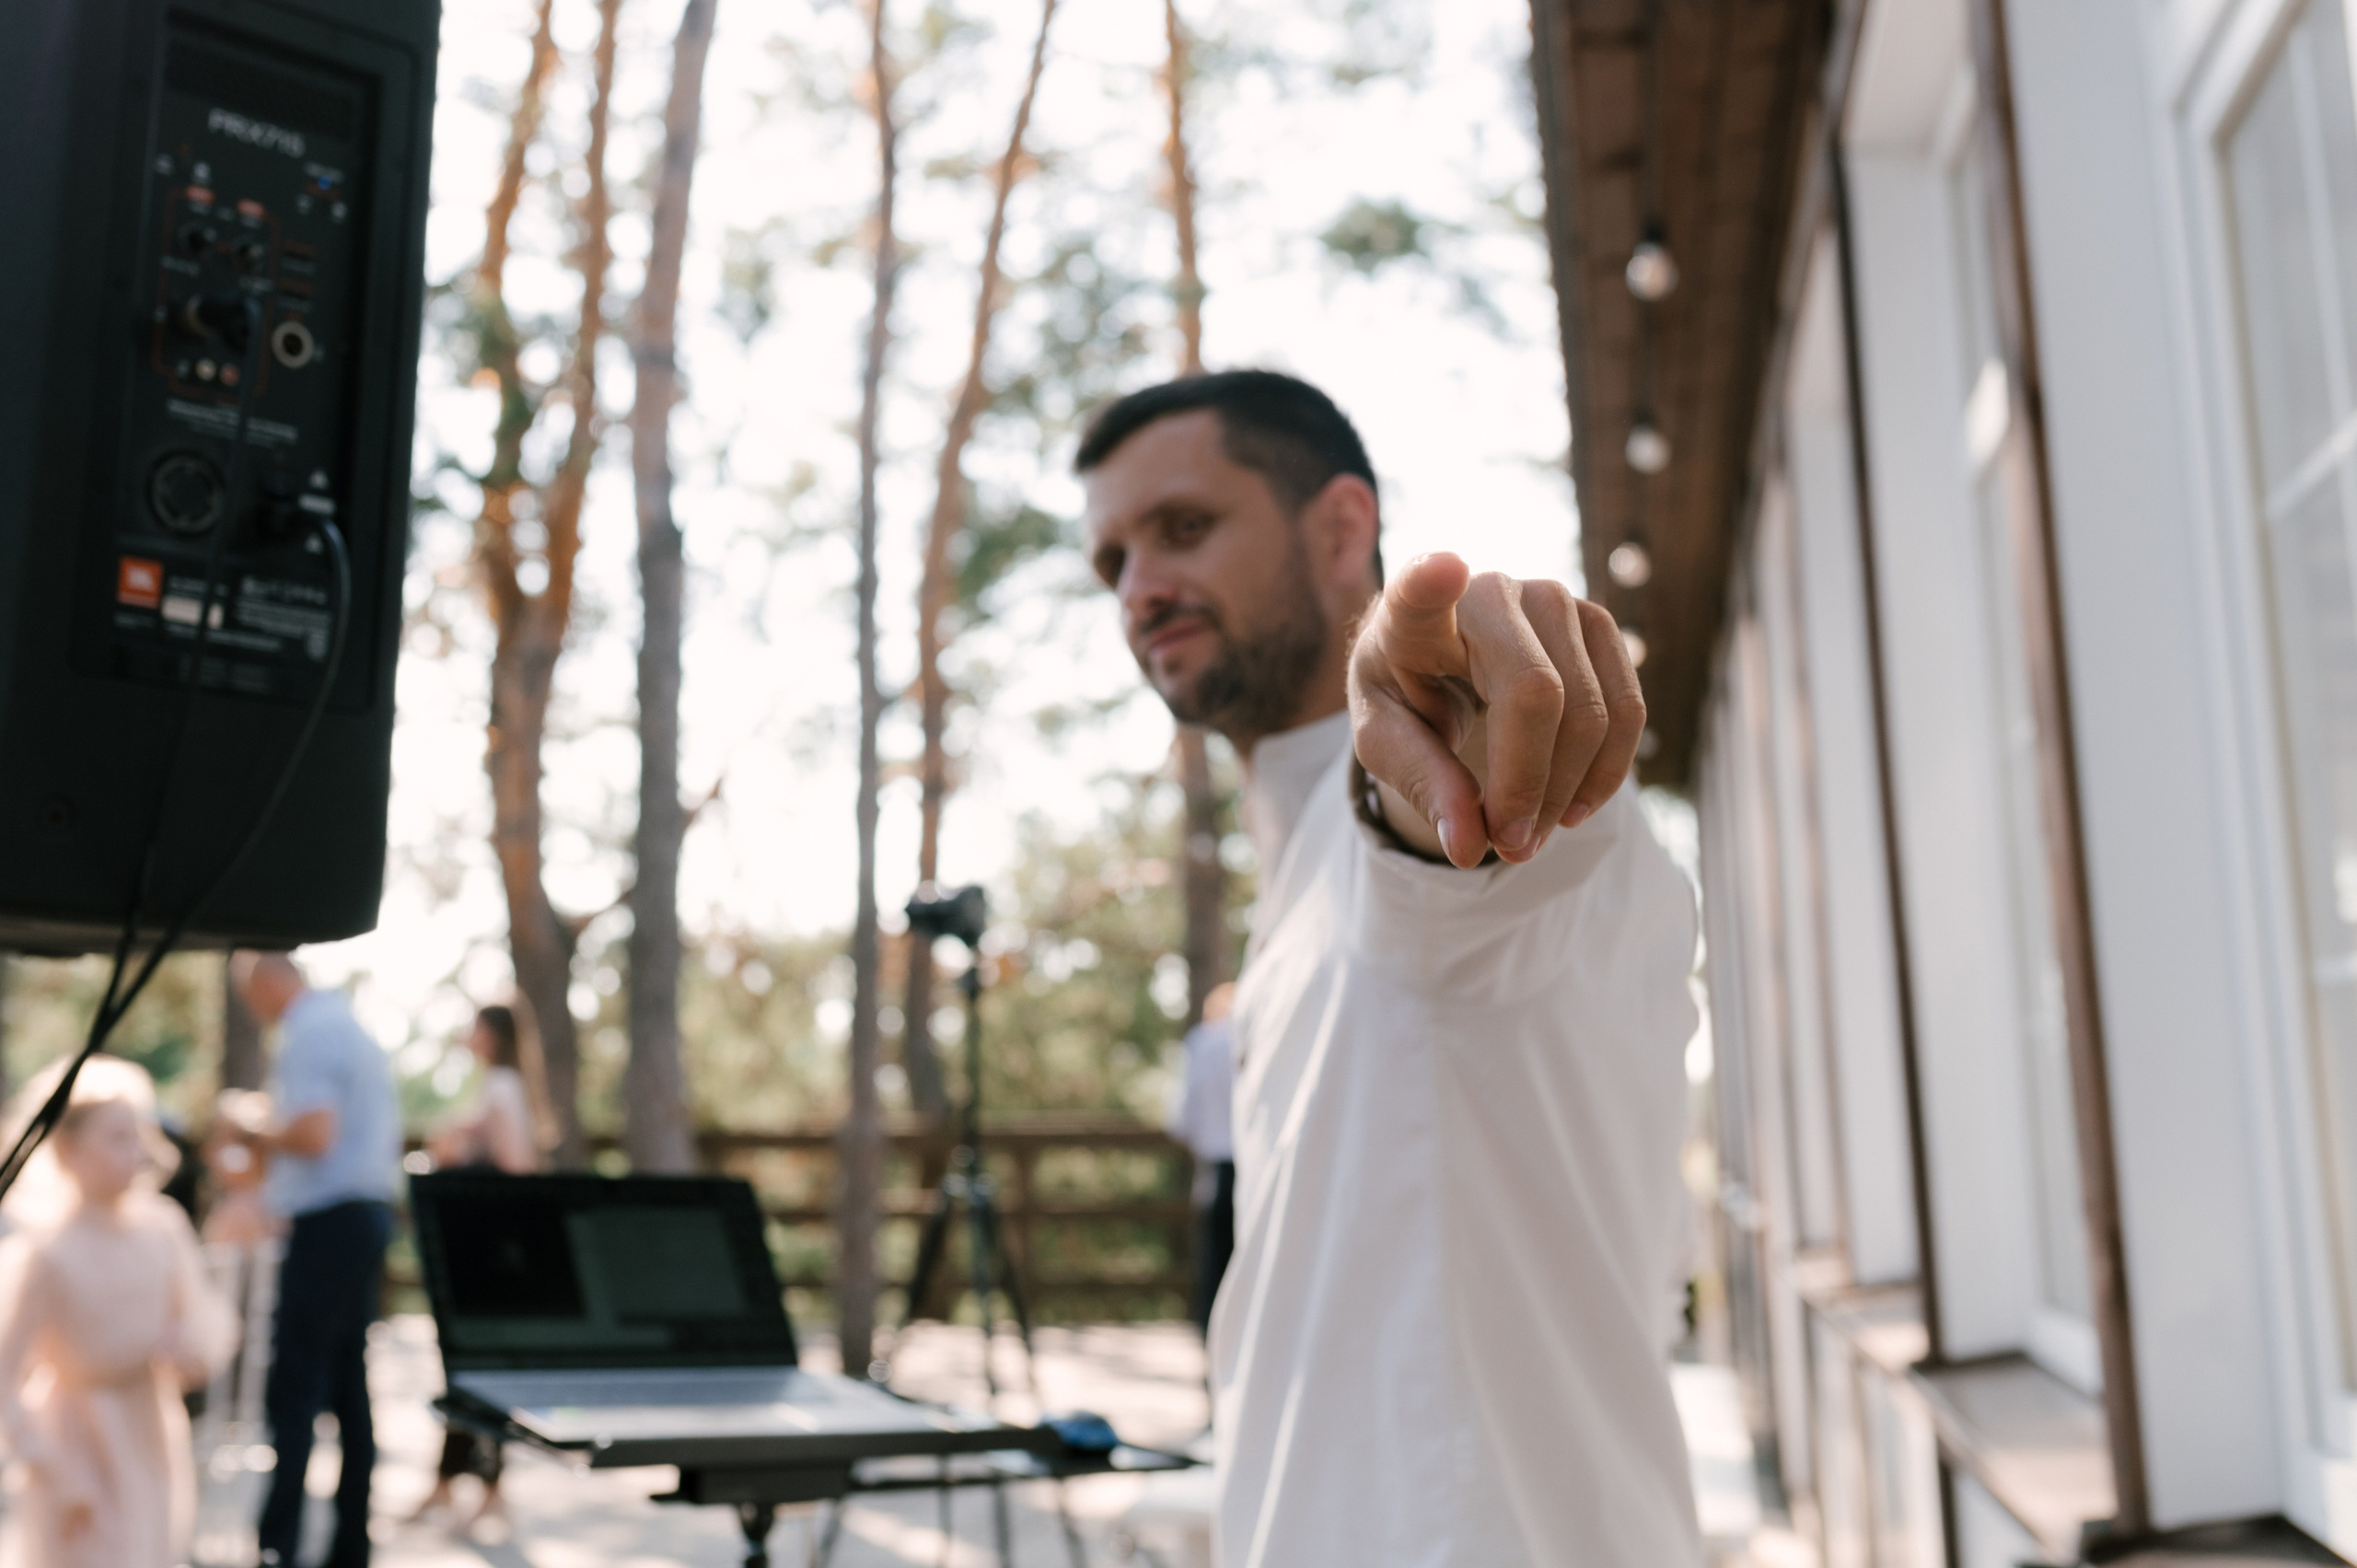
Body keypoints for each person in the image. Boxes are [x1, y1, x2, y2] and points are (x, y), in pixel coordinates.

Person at [1076, 370, 1699, 1566]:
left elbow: (1457, 854)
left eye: (1186, 527)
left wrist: (1462, 730)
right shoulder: (1299, 879)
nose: (1142, 587)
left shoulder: (1454, 822)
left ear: (1342, 529)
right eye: (1113, 562)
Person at [0, 1055, 236, 1568]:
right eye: (116, 1138)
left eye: (138, 1136)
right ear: (67, 1149)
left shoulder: (163, 1228)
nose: (136, 1152)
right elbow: (4, 1377)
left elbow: (204, 1314)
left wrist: (189, 1344)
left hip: (148, 1426)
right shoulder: (49, 1253)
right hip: (75, 1443)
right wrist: (53, 1468)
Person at [229, 951, 401, 1568]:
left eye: (251, 995)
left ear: (271, 979)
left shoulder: (310, 1029)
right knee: (349, 1385)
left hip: (332, 1220)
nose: (254, 1009)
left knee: (296, 1385)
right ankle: (349, 1544)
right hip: (362, 1215)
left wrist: (250, 1127)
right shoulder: (344, 1022)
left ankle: (278, 1543)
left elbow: (314, 1134)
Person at [410, 1004, 540, 1530]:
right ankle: (459, 1487)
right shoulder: (498, 1085)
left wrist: (462, 1161)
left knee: (478, 1368)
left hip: (492, 1250)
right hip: (489, 1249)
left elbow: (516, 1166)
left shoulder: (502, 1087)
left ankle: (481, 1489)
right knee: (471, 1367)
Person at [1166, 981, 1237, 1337]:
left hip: (1218, 1168)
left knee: (1215, 1260)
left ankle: (1211, 1336)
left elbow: (1183, 1117)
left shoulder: (1203, 1043)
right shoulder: (1254, 1039)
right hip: (1256, 1170)